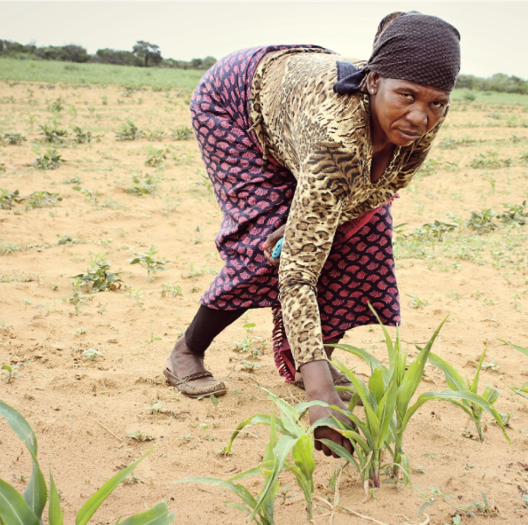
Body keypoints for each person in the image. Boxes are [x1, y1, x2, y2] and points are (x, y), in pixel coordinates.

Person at [164, 11, 461, 456]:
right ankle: (187, 351)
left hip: (298, 102)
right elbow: (299, 272)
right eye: (407, 96)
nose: (420, 116)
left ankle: (308, 362)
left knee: (364, 238)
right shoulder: (335, 136)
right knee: (268, 244)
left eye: (436, 103)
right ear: (373, 80)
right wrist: (321, 397)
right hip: (235, 104)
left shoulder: (418, 121)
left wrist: (318, 213)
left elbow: (385, 187)